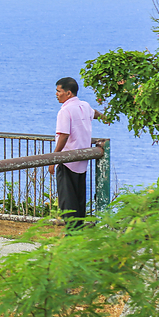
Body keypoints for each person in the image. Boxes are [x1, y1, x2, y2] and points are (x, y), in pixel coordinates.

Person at [49, 77, 105, 230]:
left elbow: (64, 135)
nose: (56, 94)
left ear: (68, 93)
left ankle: (71, 234)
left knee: (67, 201)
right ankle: (78, 232)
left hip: (67, 160)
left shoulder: (65, 111)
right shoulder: (84, 106)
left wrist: (54, 158)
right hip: (82, 160)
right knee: (79, 199)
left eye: (58, 91)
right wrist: (106, 117)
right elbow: (95, 113)